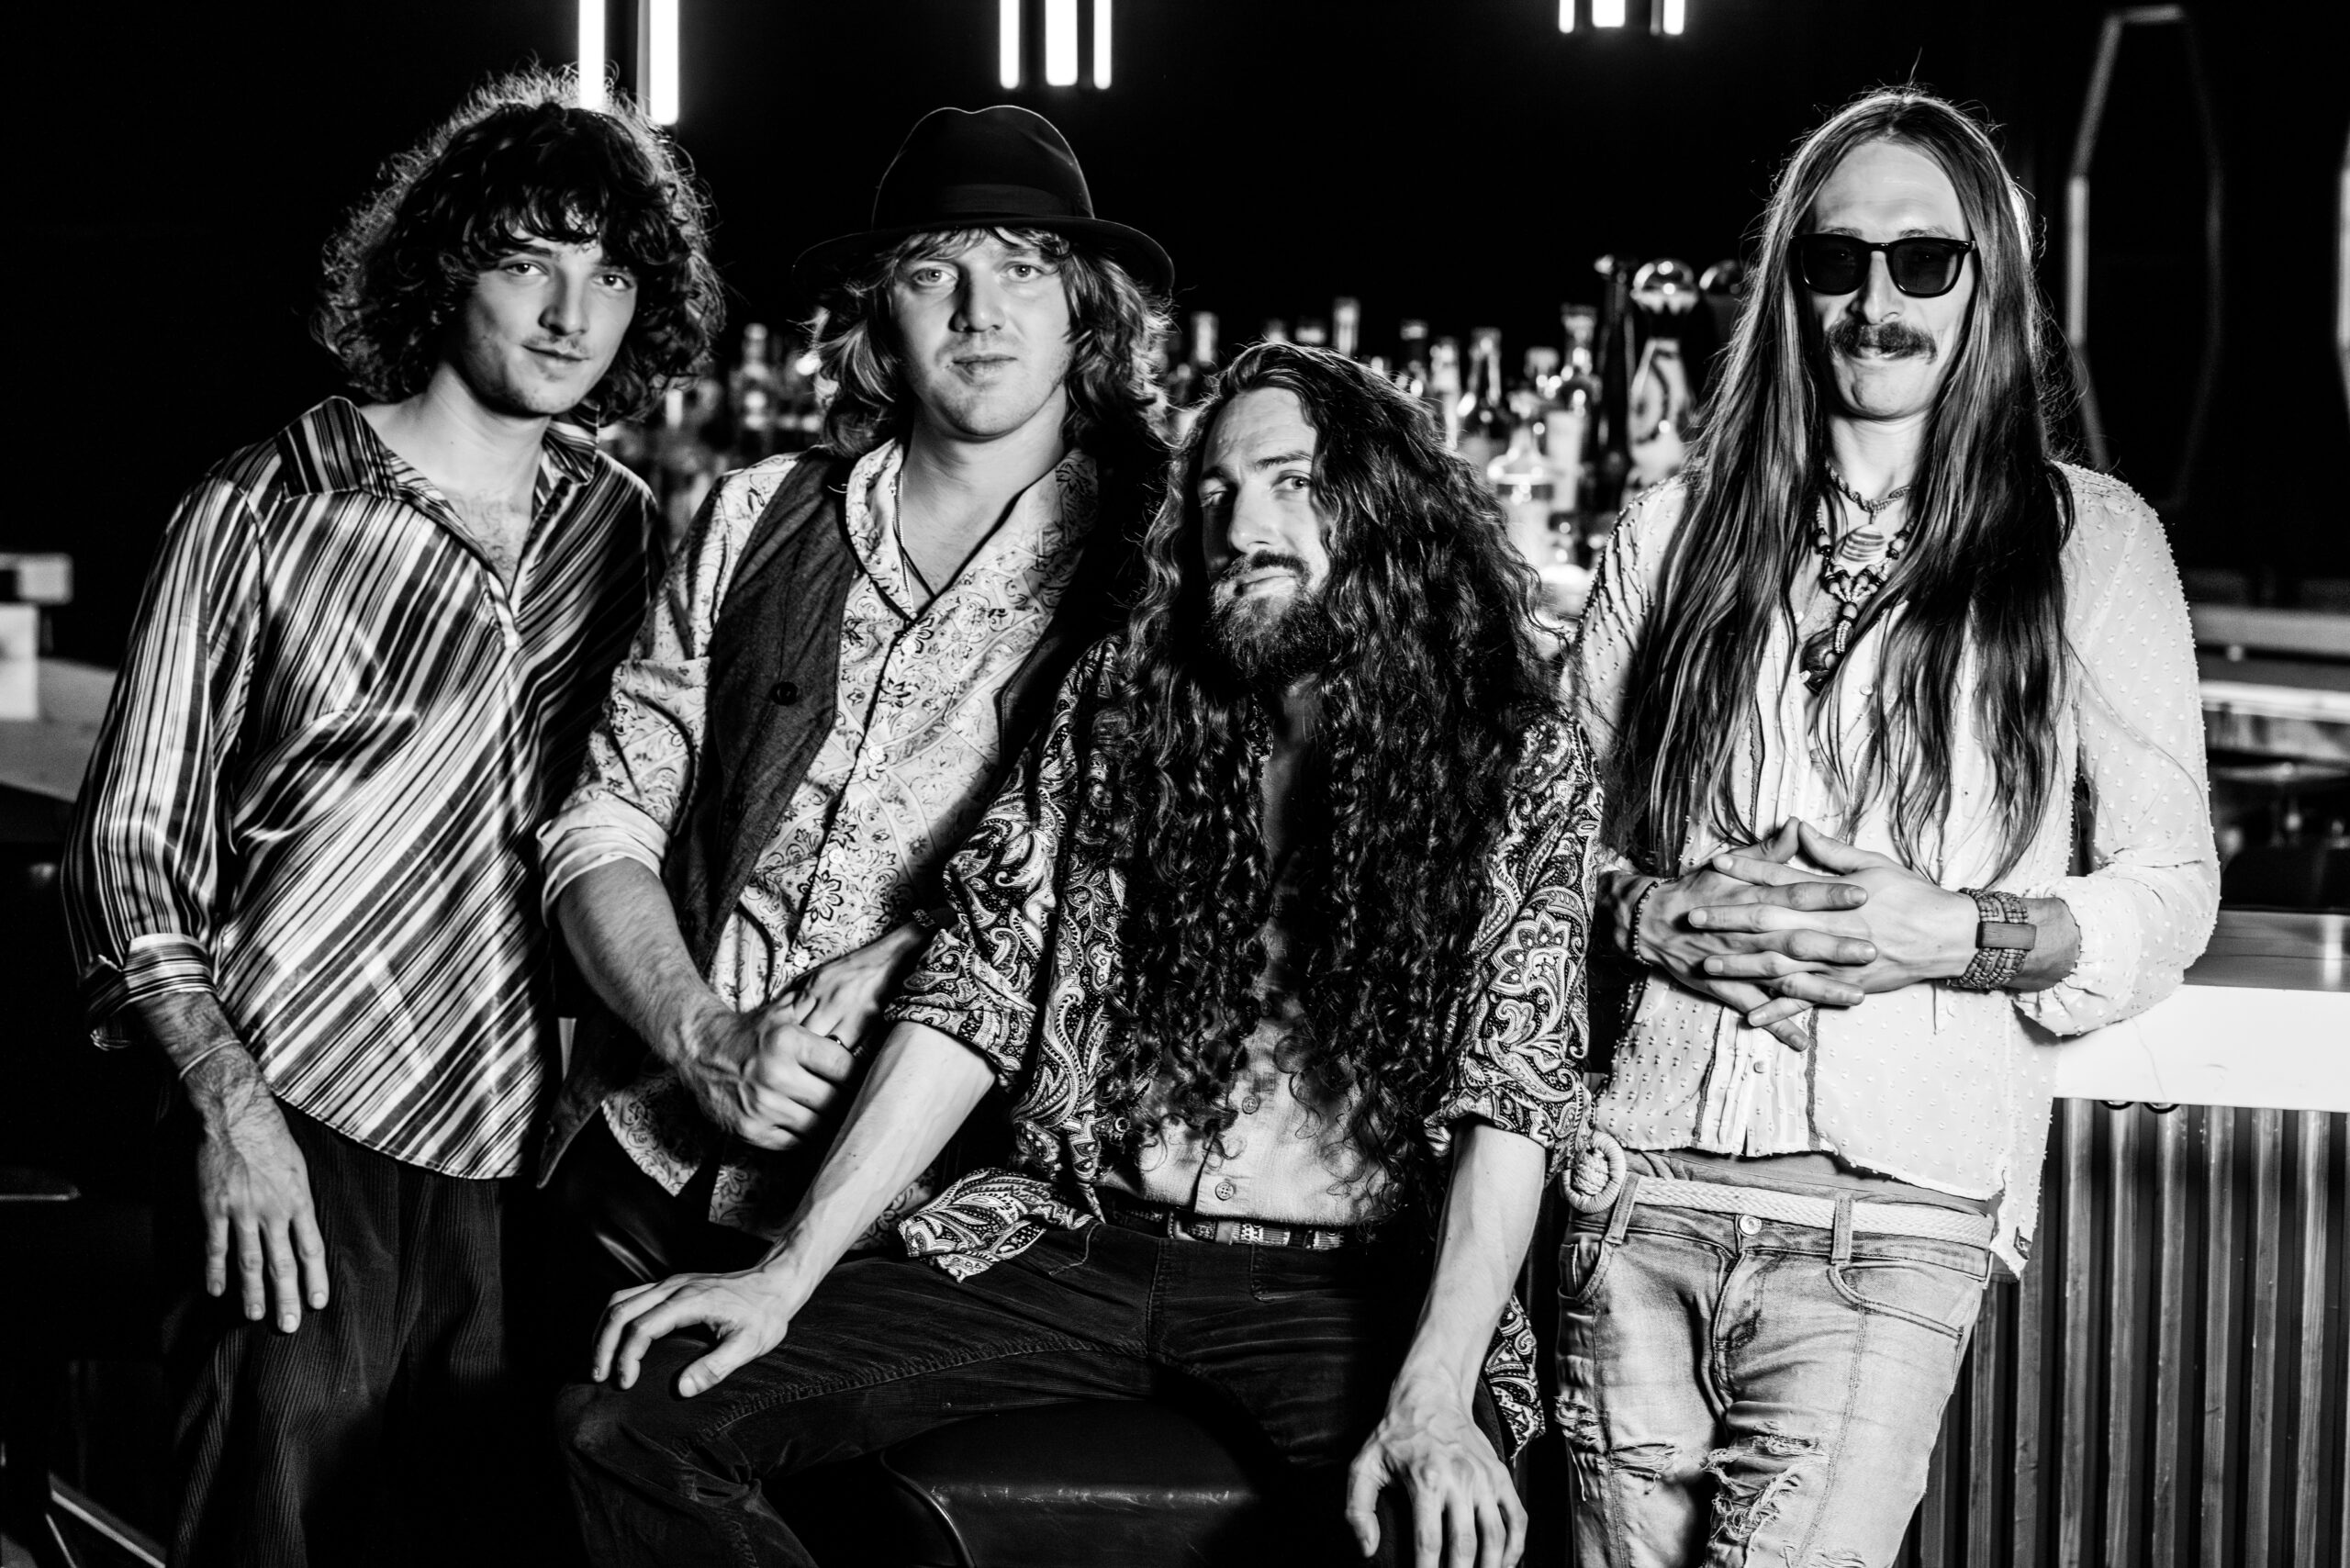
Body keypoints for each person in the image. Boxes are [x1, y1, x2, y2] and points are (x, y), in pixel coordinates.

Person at [554, 342, 1600, 1568]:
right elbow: (973, 987)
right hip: (1077, 1241)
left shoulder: (1515, 756)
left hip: (1343, 1287)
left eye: (1292, 482)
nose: (1240, 527)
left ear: (1386, 510)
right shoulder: (1127, 705)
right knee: (628, 1424)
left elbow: (1511, 1092)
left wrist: (1435, 1393)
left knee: (1434, 1530)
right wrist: (787, 1271)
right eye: (1213, 494)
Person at [62, 72, 720, 1566]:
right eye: (528, 262)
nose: (572, 314)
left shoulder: (621, 530)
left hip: (526, 1138)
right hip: (301, 1112)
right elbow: (127, 850)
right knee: (274, 1536)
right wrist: (228, 1114)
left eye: (612, 276)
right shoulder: (262, 506)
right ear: (442, 272)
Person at [1565, 87, 2218, 1565]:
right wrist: (1646, 909)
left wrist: (1957, 933)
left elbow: (2172, 888)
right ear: (1790, 283)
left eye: (1925, 262)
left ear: (1989, 285)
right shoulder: (1670, 533)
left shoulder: (2091, 542)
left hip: (1890, 1229)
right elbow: (1541, 847)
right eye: (1837, 260)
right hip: (1633, 1197)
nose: (1878, 303)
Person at [533, 104, 1172, 1305]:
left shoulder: (1159, 569)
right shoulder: (755, 516)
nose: (980, 313)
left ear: (1083, 308)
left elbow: (1176, 883)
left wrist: (922, 949)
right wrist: (704, 1038)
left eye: (1024, 270)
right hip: (643, 1161)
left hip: (940, 1229)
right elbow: (602, 824)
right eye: (935, 273)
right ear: (881, 313)